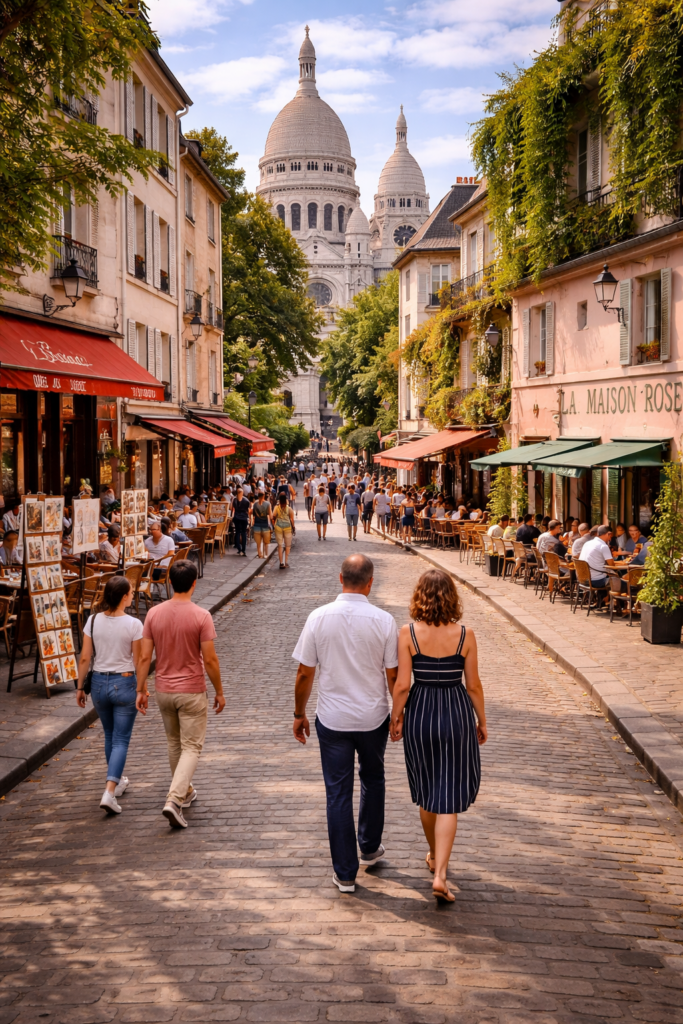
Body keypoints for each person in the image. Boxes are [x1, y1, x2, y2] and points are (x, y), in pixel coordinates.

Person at [292, 554, 399, 892]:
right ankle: (368, 846)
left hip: (334, 718)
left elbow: (305, 672)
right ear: (370, 582)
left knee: (337, 792)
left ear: (340, 579)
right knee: (374, 778)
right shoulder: (384, 621)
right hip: (373, 717)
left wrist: (299, 713)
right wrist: (398, 713)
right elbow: (393, 674)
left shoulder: (318, 617)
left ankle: (345, 872)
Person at [390, 569, 486, 904]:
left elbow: (402, 684)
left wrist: (396, 717)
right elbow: (473, 685)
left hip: (421, 711)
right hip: (456, 711)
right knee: (449, 794)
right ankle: (441, 872)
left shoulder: (408, 633)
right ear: (452, 597)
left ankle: (434, 856)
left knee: (429, 790)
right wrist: (482, 719)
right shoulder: (465, 634)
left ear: (420, 596)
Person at [136, 561, 225, 828]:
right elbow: (209, 660)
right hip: (191, 690)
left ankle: (184, 793)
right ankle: (174, 800)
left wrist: (141, 688)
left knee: (174, 744)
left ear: (170, 582)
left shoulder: (153, 614)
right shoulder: (201, 616)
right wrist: (219, 691)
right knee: (191, 747)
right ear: (194, 583)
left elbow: (143, 656)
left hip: (163, 689)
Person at [76, 576, 143, 815]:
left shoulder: (92, 621)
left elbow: (85, 657)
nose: (133, 594)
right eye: (132, 592)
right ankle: (109, 791)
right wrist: (141, 688)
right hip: (123, 682)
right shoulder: (134, 624)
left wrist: (80, 687)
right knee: (121, 739)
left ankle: (117, 782)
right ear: (124, 596)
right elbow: (138, 660)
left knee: (109, 735)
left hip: (99, 685)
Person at [274, 493, 295, 568]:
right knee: (288, 545)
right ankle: (285, 561)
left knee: (280, 545)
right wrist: (293, 527)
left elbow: (273, 516)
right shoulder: (289, 508)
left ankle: (281, 562)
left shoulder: (276, 508)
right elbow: (292, 519)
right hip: (287, 528)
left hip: (278, 527)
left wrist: (274, 524)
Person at [251, 493, 273, 559]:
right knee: (266, 542)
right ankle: (265, 554)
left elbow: (253, 515)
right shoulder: (268, 504)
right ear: (264, 496)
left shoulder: (255, 504)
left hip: (257, 525)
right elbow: (271, 516)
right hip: (265, 525)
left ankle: (259, 554)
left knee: (258, 542)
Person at [232, 487, 250, 557]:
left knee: (237, 532)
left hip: (237, 517)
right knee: (244, 533)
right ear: (242, 493)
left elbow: (232, 508)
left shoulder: (234, 500)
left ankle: (239, 549)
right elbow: (248, 510)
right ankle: (243, 549)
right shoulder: (246, 500)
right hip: (244, 518)